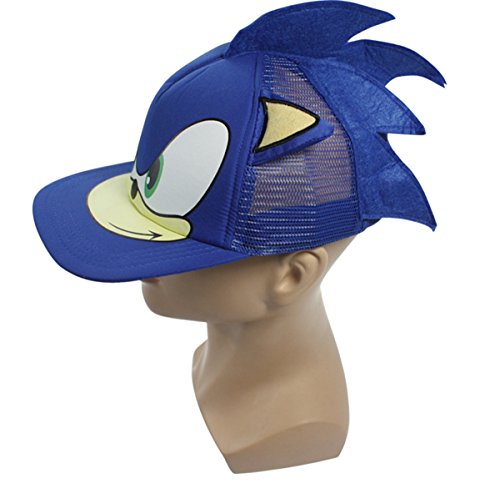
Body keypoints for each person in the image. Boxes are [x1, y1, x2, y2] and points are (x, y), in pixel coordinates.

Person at [32, 1, 445, 473]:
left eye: (176, 250)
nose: (147, 271)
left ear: (291, 276)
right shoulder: (215, 343)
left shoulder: (305, 425)